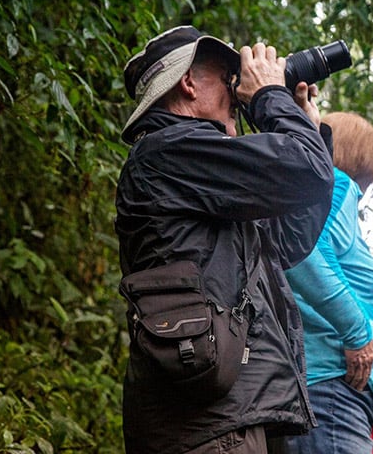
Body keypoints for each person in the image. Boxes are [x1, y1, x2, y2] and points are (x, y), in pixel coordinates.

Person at [115, 25, 334, 453]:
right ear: (189, 82)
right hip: (206, 428)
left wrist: (307, 128)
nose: (239, 91)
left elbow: (288, 239)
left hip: (231, 417)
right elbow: (305, 172)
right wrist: (271, 98)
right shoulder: (168, 151)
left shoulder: (198, 169)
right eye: (228, 78)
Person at [283, 112, 373, 453]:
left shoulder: (324, 193)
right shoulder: (335, 185)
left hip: (332, 392)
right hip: (332, 389)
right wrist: (357, 333)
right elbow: (303, 251)